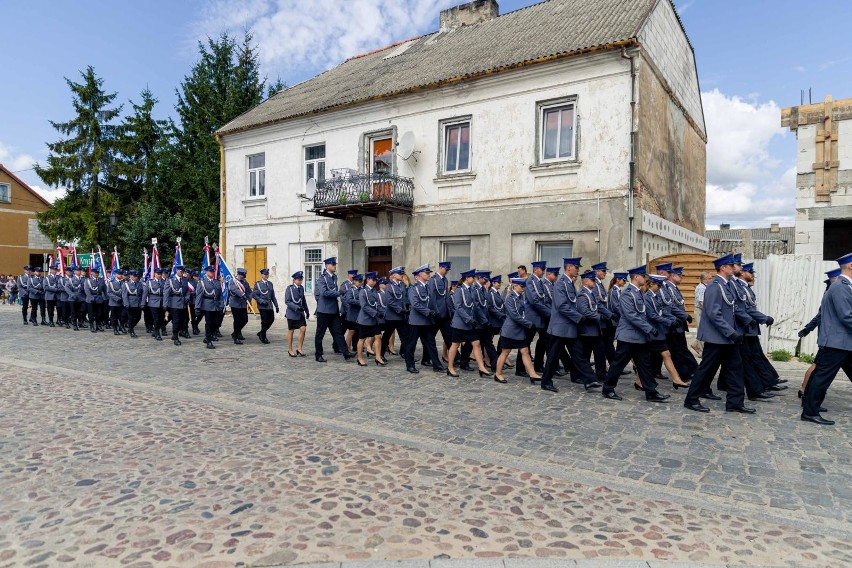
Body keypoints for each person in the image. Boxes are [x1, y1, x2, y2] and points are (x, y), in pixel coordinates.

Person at [683, 254, 753, 414]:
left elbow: (731, 311)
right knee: (706, 369)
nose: (734, 267)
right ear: (723, 267)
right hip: (717, 338)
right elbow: (714, 314)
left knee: (736, 369)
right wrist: (731, 332)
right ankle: (691, 399)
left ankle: (735, 402)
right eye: (731, 265)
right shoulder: (715, 286)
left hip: (727, 338)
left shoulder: (726, 285)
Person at [599, 266, 671, 403]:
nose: (646, 279)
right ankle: (607, 388)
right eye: (644, 276)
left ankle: (651, 391)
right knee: (618, 364)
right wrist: (649, 328)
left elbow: (643, 314)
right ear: (636, 277)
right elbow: (632, 316)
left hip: (639, 337)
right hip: (628, 337)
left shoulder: (639, 293)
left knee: (644, 365)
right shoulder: (628, 294)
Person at [801, 252, 852, 426]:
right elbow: (846, 316)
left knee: (821, 376)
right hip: (837, 342)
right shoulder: (840, 287)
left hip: (844, 342)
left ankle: (810, 409)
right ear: (850, 266)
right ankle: (810, 412)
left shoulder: (845, 286)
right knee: (822, 378)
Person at [541, 258, 598, 393]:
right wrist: (579, 318)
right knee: (553, 356)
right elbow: (562, 306)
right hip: (561, 327)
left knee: (578, 354)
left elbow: (572, 303)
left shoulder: (569, 283)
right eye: (576, 267)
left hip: (570, 326)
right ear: (569, 268)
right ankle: (546, 381)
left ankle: (589, 379)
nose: (578, 270)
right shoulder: (561, 284)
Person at [643, 275, 690, 390]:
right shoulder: (646, 297)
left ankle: (676, 379)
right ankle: (639, 381)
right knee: (643, 359)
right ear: (651, 284)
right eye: (658, 285)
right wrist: (669, 322)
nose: (660, 288)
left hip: (657, 331)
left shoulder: (654, 296)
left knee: (666, 354)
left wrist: (675, 319)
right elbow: (653, 315)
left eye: (660, 285)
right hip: (651, 332)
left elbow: (662, 310)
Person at [446, 269, 492, 378]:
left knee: (476, 343)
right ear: (467, 278)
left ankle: (481, 367)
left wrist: (481, 319)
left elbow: (475, 306)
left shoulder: (472, 290)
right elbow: (458, 307)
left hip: (470, 323)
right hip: (460, 324)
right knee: (455, 345)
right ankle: (450, 367)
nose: (474, 279)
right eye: (473, 277)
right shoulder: (459, 290)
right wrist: (468, 319)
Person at [494, 278, 541, 383]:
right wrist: (529, 324)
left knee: (525, 351)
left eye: (524, 287)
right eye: (522, 286)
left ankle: (532, 374)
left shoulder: (520, 297)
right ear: (515, 286)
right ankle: (498, 374)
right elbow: (515, 316)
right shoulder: (510, 298)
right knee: (505, 352)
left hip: (519, 330)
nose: (523, 289)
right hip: (510, 330)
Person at [577, 270, 613, 385]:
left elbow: (598, 306)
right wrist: (600, 317)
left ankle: (601, 375)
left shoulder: (591, 293)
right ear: (586, 281)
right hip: (587, 329)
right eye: (593, 280)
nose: (595, 282)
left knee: (600, 352)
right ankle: (586, 376)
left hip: (595, 329)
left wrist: (609, 315)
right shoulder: (582, 293)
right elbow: (585, 311)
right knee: (586, 354)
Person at [313, 257, 352, 362]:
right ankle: (318, 355)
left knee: (338, 332)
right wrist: (338, 293)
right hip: (324, 311)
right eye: (333, 264)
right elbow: (323, 293)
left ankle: (345, 352)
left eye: (335, 264)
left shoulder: (334, 277)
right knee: (320, 334)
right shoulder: (322, 278)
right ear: (327, 266)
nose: (335, 266)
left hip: (333, 310)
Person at [408, 264, 445, 373]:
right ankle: (410, 365)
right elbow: (415, 304)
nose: (428, 275)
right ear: (417, 276)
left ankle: (437, 365)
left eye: (429, 273)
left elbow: (432, 302)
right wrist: (429, 312)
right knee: (411, 344)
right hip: (416, 321)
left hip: (427, 321)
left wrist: (436, 313)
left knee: (431, 344)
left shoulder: (429, 287)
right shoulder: (413, 289)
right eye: (426, 273)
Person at [382, 267, 417, 373]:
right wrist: (401, 310)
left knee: (405, 339)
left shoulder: (402, 285)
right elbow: (389, 302)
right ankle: (380, 355)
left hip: (401, 317)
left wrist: (406, 310)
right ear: (393, 275)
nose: (401, 275)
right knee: (386, 337)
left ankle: (409, 361)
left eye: (402, 273)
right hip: (392, 317)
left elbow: (403, 299)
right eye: (399, 273)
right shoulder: (388, 287)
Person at [356, 272, 386, 367]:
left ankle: (378, 357)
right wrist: (375, 313)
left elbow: (377, 304)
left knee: (378, 336)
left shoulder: (374, 291)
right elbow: (364, 306)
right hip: (365, 320)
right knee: (362, 338)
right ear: (368, 280)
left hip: (373, 320)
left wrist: (382, 313)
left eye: (375, 280)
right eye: (373, 280)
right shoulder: (363, 291)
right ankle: (360, 358)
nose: (374, 282)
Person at [427, 261, 453, 365]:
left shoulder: (445, 280)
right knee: (430, 338)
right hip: (437, 314)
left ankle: (454, 358)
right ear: (441, 268)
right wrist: (436, 312)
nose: (446, 272)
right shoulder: (433, 280)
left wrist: (449, 310)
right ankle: (426, 358)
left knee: (449, 337)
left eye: (448, 270)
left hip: (445, 314)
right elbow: (432, 298)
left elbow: (446, 296)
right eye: (446, 269)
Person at [196, 265, 221, 349]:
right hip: (207, 305)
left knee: (216, 323)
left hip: (216, 305)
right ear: (206, 272)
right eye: (210, 271)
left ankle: (208, 337)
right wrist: (197, 307)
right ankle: (209, 341)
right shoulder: (202, 282)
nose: (212, 273)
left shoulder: (217, 282)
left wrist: (221, 305)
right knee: (209, 323)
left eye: (213, 271)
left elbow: (220, 295)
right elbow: (199, 296)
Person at [284, 271, 309, 356]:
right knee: (291, 330)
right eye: (299, 280)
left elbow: (303, 301)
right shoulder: (289, 288)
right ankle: (290, 349)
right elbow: (287, 301)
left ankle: (299, 348)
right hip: (292, 313)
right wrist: (296, 307)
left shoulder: (301, 288)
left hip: (300, 313)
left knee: (303, 329)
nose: (300, 281)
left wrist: (307, 311)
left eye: (301, 280)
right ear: (294, 280)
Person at [164, 265, 189, 346]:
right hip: (174, 303)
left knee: (182, 321)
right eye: (180, 271)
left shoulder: (185, 280)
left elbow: (187, 291)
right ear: (177, 271)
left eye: (183, 272)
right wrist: (165, 304)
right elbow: (166, 293)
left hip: (183, 304)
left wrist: (186, 298)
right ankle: (175, 337)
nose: (182, 273)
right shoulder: (170, 280)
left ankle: (177, 333)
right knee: (176, 321)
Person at [253, 268, 279, 344]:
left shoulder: (270, 284)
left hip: (269, 305)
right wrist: (261, 301)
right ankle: (263, 336)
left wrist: (276, 305)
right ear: (262, 275)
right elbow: (254, 294)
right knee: (264, 321)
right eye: (265, 274)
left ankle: (261, 332)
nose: (266, 276)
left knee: (271, 319)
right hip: (262, 306)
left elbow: (273, 296)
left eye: (267, 274)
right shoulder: (258, 284)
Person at [228, 268, 252, 345]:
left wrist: (249, 301)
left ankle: (236, 332)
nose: (243, 277)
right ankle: (236, 337)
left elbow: (249, 292)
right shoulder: (233, 281)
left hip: (243, 304)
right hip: (235, 304)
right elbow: (234, 290)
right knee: (237, 320)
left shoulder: (245, 282)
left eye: (243, 276)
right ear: (238, 274)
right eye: (241, 276)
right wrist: (242, 295)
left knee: (245, 319)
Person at [143, 268, 166, 340]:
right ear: (155, 274)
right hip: (153, 303)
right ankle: (157, 333)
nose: (159, 275)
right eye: (158, 274)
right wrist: (143, 303)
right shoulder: (150, 282)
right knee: (156, 319)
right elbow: (145, 293)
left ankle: (155, 332)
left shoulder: (164, 282)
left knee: (161, 319)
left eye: (160, 274)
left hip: (162, 303)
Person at [692, 272, 711, 355]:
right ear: (705, 279)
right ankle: (702, 351)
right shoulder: (701, 288)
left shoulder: (705, 286)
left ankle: (695, 345)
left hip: (702, 310)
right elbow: (701, 302)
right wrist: (708, 311)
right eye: (710, 278)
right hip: (700, 311)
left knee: (703, 330)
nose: (711, 279)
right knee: (701, 330)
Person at [340, 269, 359, 352]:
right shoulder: (344, 285)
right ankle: (338, 345)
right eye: (352, 276)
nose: (353, 277)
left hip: (354, 312)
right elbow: (343, 298)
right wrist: (348, 309)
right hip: (346, 311)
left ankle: (355, 346)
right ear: (349, 275)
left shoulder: (357, 285)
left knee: (355, 330)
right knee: (342, 330)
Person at [122, 270, 143, 337]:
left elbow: (141, 294)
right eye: (134, 276)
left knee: (138, 317)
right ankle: (131, 331)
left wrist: (142, 303)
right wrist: (126, 304)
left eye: (136, 276)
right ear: (131, 276)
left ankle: (131, 327)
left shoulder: (139, 283)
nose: (135, 277)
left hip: (138, 303)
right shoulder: (126, 284)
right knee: (130, 318)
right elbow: (124, 295)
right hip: (130, 303)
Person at [84, 267, 105, 332]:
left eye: (98, 273)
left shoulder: (101, 280)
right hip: (91, 299)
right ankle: (92, 325)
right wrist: (91, 298)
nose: (97, 274)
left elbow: (104, 289)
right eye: (95, 273)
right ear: (92, 273)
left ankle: (98, 325)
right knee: (91, 314)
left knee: (99, 313)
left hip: (99, 298)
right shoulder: (88, 281)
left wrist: (106, 298)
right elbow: (87, 290)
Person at [106, 269, 126, 334]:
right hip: (114, 302)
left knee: (123, 315)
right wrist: (117, 298)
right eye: (119, 274)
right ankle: (115, 329)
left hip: (123, 302)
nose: (121, 275)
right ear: (116, 274)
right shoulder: (111, 282)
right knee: (114, 316)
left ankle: (122, 326)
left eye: (121, 274)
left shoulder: (124, 282)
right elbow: (109, 292)